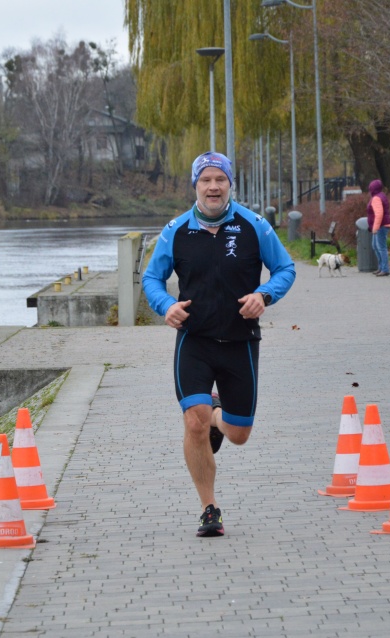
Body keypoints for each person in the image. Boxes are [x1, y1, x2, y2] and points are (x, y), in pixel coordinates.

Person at [142, 151, 296, 537]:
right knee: (192, 421)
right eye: (205, 180)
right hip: (194, 341)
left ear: (230, 185)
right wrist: (166, 305)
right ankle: (209, 508)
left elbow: (286, 268)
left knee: (239, 434)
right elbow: (151, 280)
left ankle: (216, 414)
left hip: (240, 340)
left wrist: (265, 294)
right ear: (195, 186)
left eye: (220, 180)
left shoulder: (254, 226)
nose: (213, 187)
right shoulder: (174, 230)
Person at [367, 179, 390, 276]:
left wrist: (375, 228)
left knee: (381, 247)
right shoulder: (381, 196)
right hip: (380, 225)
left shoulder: (376, 198)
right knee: (375, 246)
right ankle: (381, 267)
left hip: (380, 226)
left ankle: (385, 269)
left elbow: (379, 214)